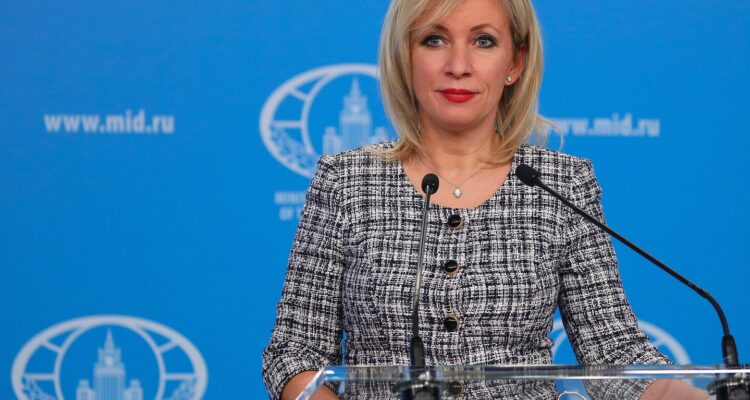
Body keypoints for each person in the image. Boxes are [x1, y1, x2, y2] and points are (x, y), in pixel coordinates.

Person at [262, 0, 708, 399]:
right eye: (434, 40)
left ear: (515, 62)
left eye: (483, 41)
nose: (458, 65)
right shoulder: (346, 181)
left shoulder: (562, 183)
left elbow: (615, 353)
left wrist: (687, 397)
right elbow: (295, 352)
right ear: (405, 57)